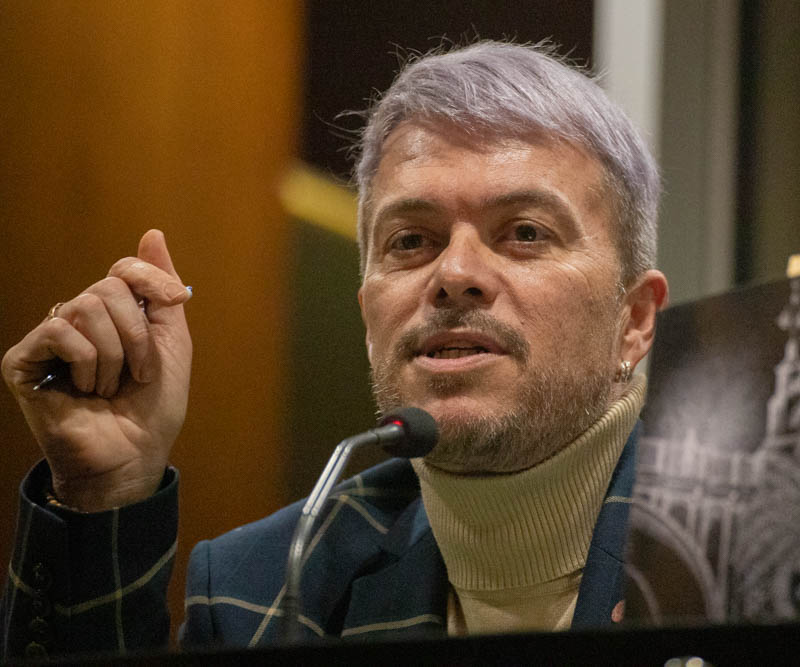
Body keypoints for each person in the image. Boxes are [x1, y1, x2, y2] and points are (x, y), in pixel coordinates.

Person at [0, 41, 668, 660]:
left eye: (524, 232)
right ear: (368, 314)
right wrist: (104, 495)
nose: (454, 273)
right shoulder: (266, 587)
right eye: (411, 240)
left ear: (634, 319)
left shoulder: (717, 557)